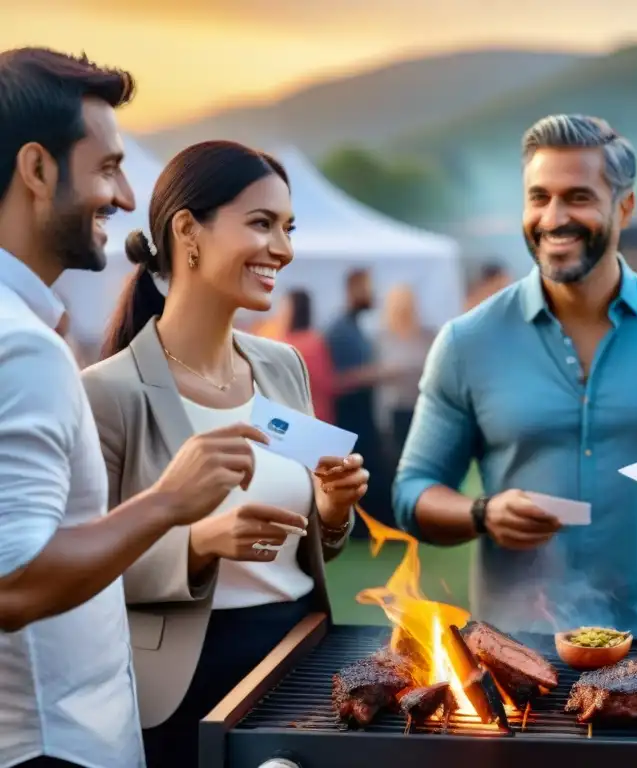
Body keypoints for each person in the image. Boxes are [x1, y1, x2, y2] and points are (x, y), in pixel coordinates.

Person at [394, 114, 637, 640]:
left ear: (625, 205)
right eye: (539, 197)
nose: (553, 217)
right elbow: (413, 492)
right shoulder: (467, 343)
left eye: (577, 197)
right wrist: (482, 512)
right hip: (519, 655)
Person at [0, 48, 270, 768]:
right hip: (52, 749)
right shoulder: (20, 347)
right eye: (108, 167)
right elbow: (13, 581)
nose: (124, 199)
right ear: (36, 170)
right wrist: (168, 505)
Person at [80, 141, 369, 768]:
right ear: (188, 229)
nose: (284, 249)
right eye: (262, 224)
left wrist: (332, 509)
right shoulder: (106, 393)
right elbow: (74, 573)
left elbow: (310, 543)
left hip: (298, 658)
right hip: (181, 681)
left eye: (288, 228)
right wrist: (197, 542)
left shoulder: (281, 365)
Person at [325, 268, 396, 531]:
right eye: (366, 287)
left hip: (364, 412)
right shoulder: (340, 329)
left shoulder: (354, 326)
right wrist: (376, 373)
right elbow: (336, 379)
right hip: (352, 414)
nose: (372, 294)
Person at [377, 284, 434, 460]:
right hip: (394, 408)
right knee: (397, 458)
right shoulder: (383, 339)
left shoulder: (427, 336)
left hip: (422, 406)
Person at [281, 288, 335, 423]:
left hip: (309, 418)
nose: (280, 314)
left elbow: (324, 383)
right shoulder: (313, 341)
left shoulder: (310, 343)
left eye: (284, 308)